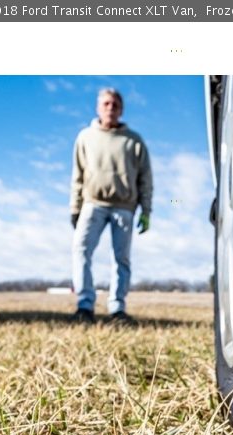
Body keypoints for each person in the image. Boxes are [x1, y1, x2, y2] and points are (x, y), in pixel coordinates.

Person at [70, 88, 152, 324]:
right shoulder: (85, 137)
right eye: (106, 104)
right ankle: (84, 306)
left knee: (121, 259)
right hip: (92, 204)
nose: (110, 108)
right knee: (81, 251)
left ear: (121, 109)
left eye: (115, 104)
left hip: (124, 208)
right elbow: (78, 175)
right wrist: (75, 208)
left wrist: (146, 211)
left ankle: (117, 309)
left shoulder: (134, 141)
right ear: (98, 107)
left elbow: (145, 179)